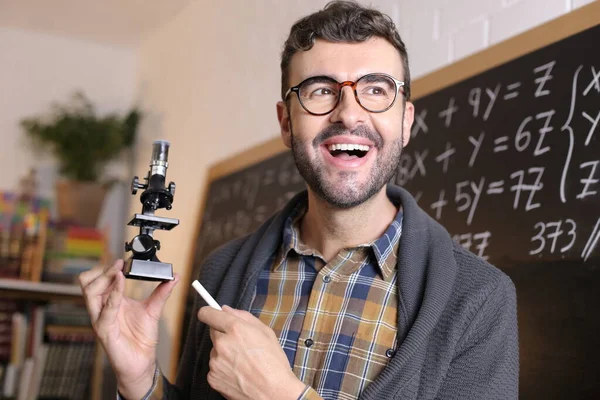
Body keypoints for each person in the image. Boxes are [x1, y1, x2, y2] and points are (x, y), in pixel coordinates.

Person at [79, 1, 519, 399]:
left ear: (405, 121)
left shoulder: (478, 298)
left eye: (376, 89)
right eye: (320, 90)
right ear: (286, 123)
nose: (348, 112)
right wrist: (140, 381)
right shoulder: (221, 273)